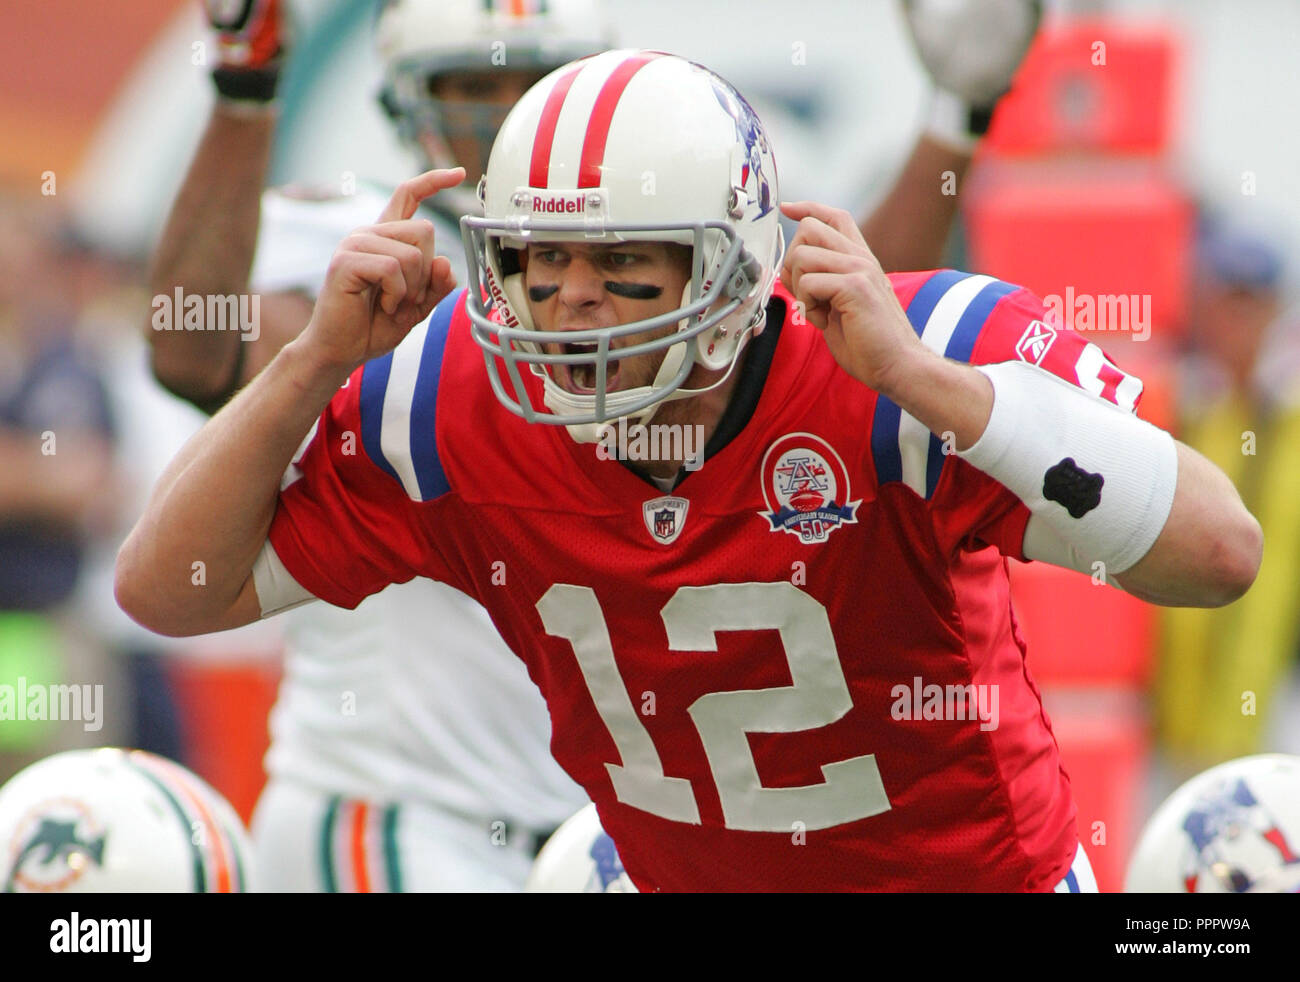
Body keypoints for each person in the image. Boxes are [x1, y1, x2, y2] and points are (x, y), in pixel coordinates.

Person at [119, 49, 1261, 892]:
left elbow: (1218, 553)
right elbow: (169, 588)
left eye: (624, 264)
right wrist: (313, 361)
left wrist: (931, 388)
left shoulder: (906, 359)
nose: (570, 299)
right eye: (538, 258)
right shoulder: (447, 395)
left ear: (729, 268)